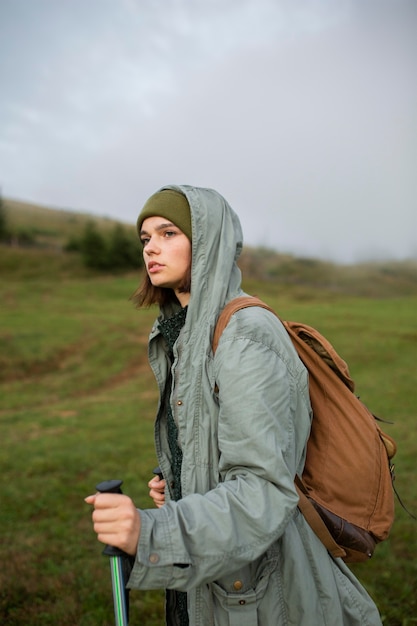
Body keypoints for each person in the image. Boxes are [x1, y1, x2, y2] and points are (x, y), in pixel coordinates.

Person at [85, 185, 383, 625]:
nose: (152, 248)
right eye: (145, 238)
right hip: (217, 576)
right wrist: (181, 480)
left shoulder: (244, 334)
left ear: (208, 240)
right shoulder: (182, 334)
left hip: (262, 590)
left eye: (168, 233)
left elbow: (263, 488)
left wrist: (150, 532)